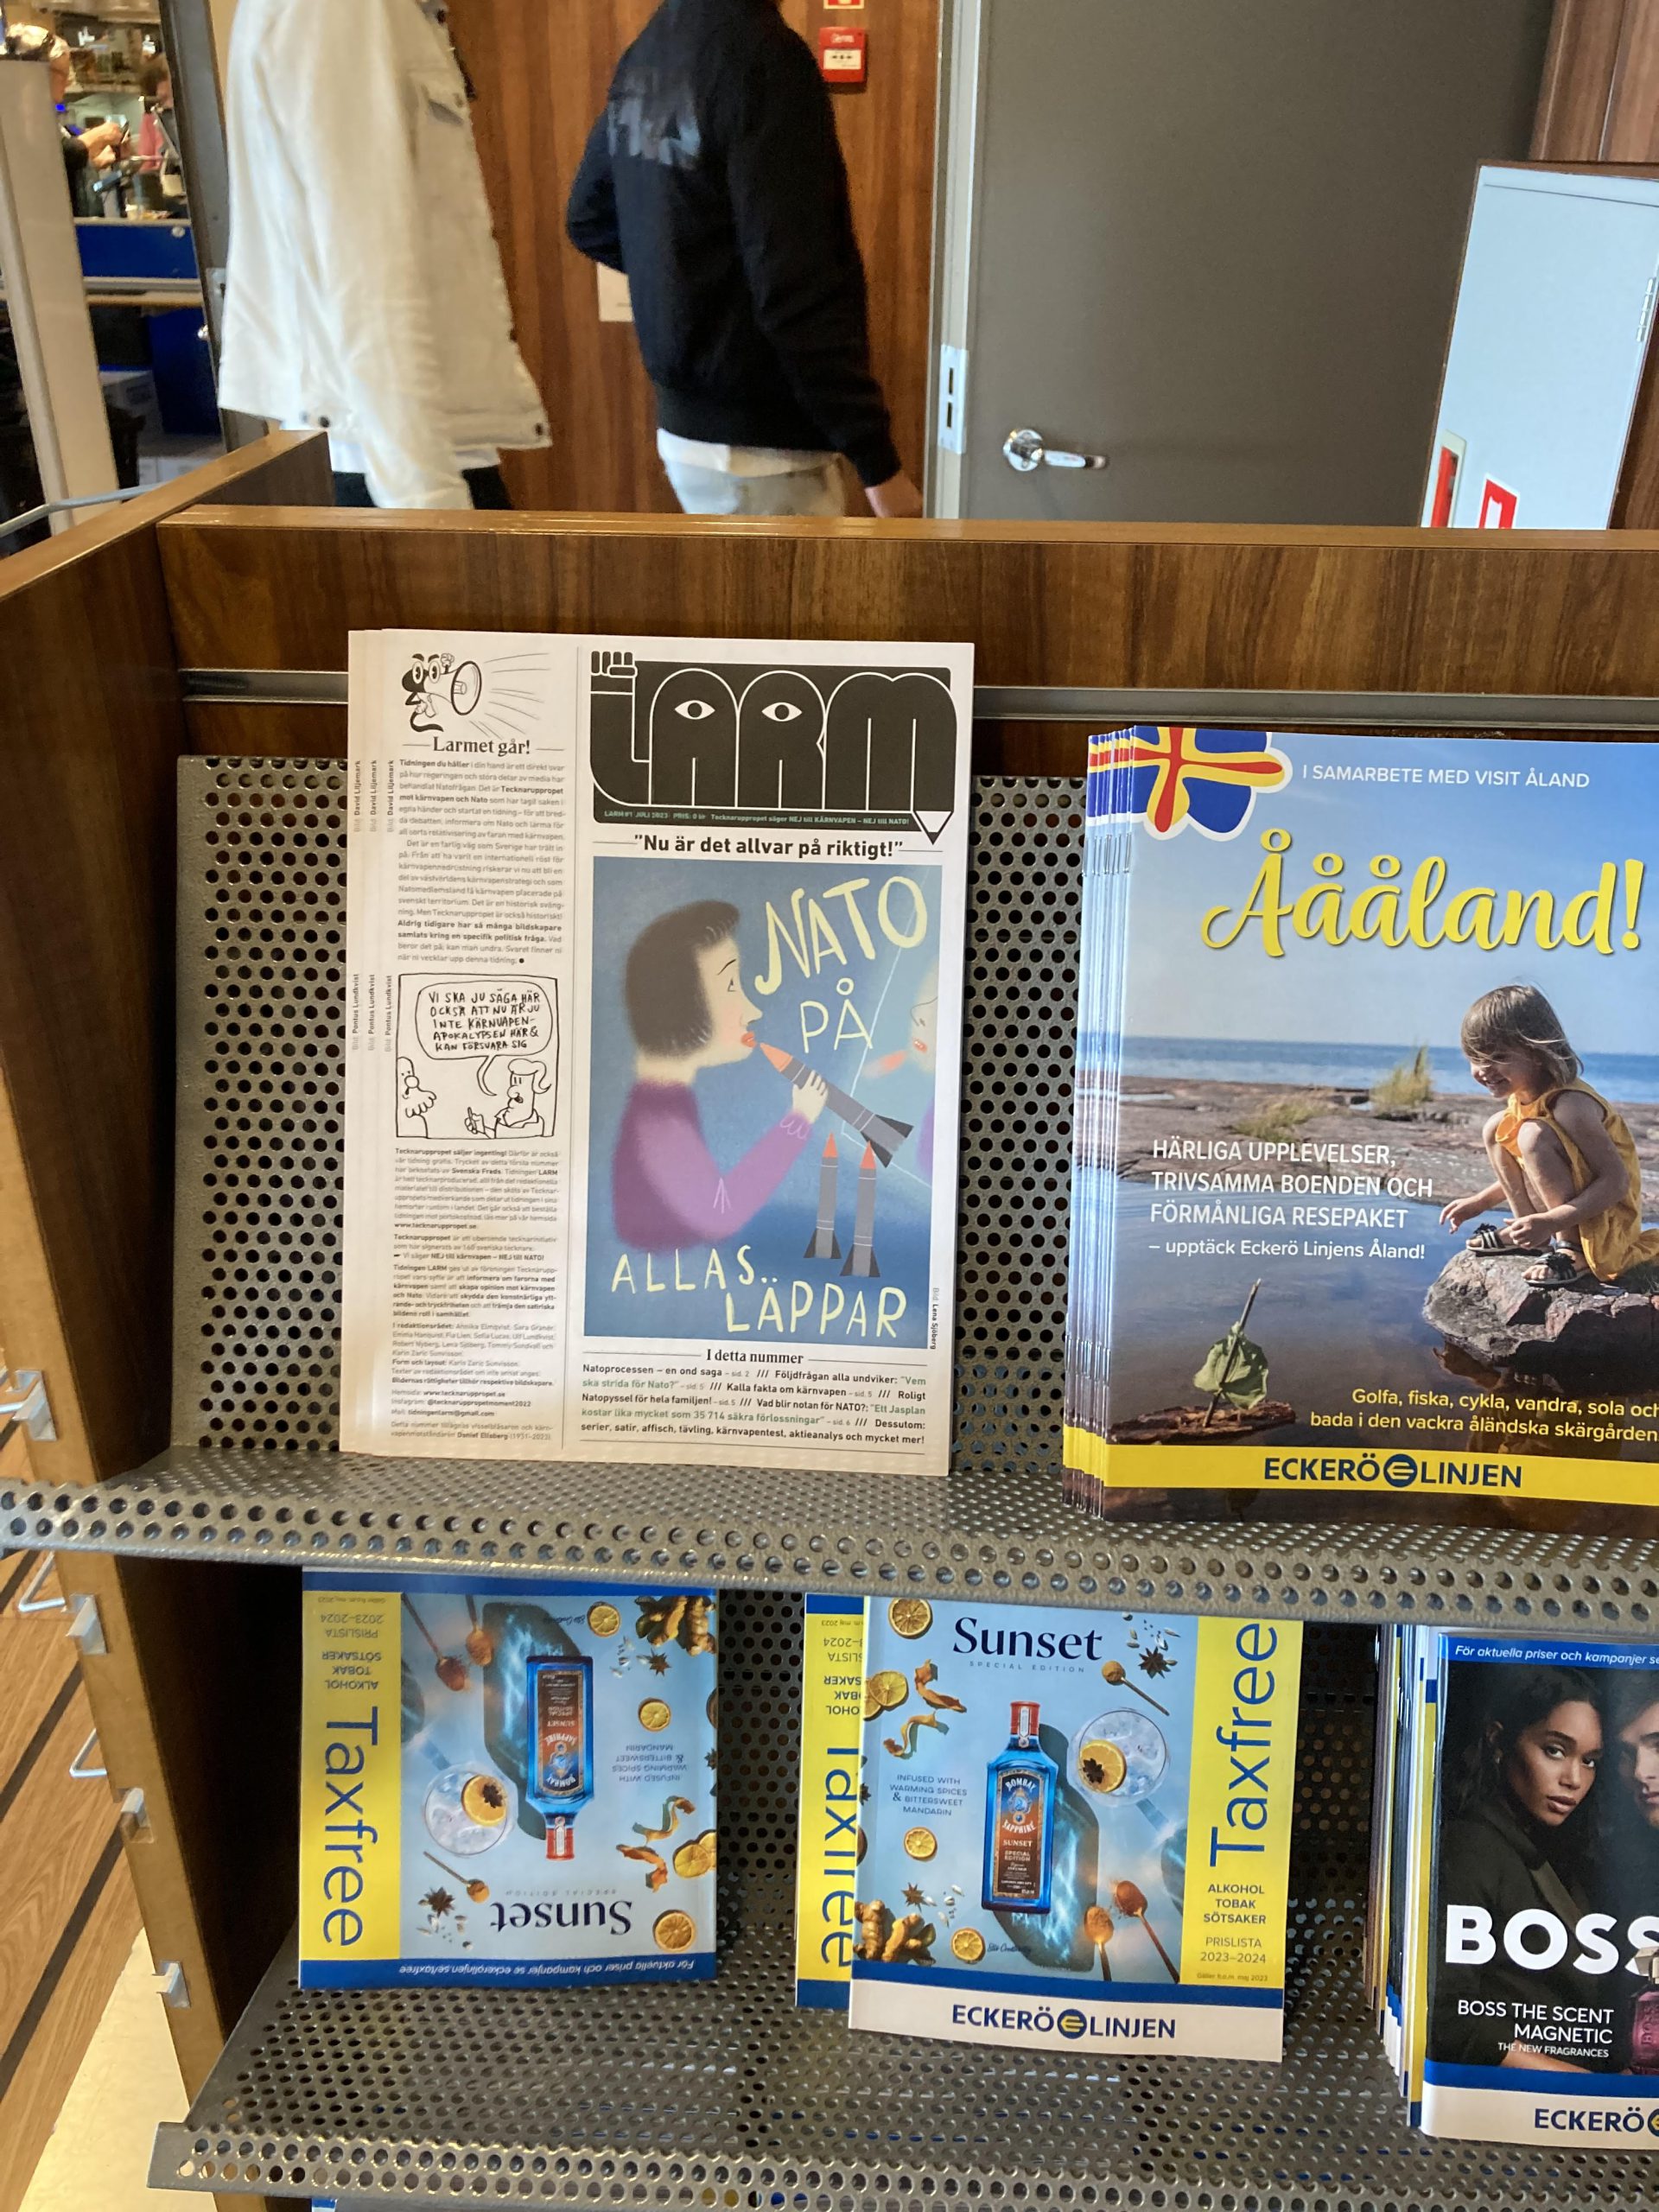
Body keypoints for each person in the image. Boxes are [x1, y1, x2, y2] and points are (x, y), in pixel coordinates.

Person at [565, 0, 922, 521]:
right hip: (765, 450)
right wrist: (879, 467)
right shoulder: (765, 58)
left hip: (687, 437)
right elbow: (796, 284)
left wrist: (686, 284)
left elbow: (588, 219)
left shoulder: (651, 52)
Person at [217, 0, 548, 511]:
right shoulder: (342, 11)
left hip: (407, 454)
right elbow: (367, 279)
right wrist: (430, 509)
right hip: (393, 467)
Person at [611, 899, 825, 1251]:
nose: (752, 1011)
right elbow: (720, 1214)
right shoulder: (658, 1119)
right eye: (730, 987)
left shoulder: (667, 1101)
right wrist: (799, 1120)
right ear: (678, 1002)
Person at [1430, 1664, 1608, 2070]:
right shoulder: (1470, 1847)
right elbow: (1448, 2020)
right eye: (1555, 1750)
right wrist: (1585, 2088)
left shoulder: (1553, 1852)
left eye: (1590, 1761)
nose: (1574, 1779)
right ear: (1499, 1740)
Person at [1439, 982, 1659, 1291]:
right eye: (1475, 1058)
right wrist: (1480, 1202)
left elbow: (1615, 1182)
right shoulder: (1521, 1099)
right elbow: (1536, 1171)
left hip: (1604, 1220)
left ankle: (1571, 1249)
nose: (1483, 1069)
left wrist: (1553, 1221)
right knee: (1496, 1127)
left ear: (1538, 1053)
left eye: (1498, 1056)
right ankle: (1529, 1234)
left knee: (1531, 1135)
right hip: (1565, 1213)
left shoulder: (1571, 1105)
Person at [136, 54, 182, 197]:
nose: (169, 105)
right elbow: (145, 168)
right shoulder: (153, 118)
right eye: (162, 100)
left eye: (172, 97)